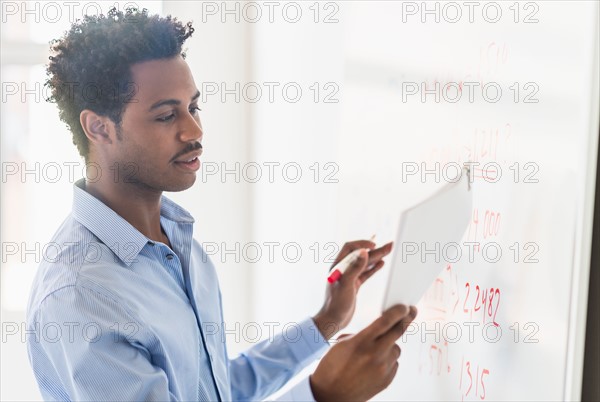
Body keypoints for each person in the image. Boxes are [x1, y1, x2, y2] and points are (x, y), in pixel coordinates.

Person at [26, 8, 417, 401]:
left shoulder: (175, 240)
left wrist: (327, 321)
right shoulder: (81, 295)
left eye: (193, 107)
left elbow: (215, 390)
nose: (194, 130)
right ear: (99, 128)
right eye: (166, 115)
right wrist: (322, 394)